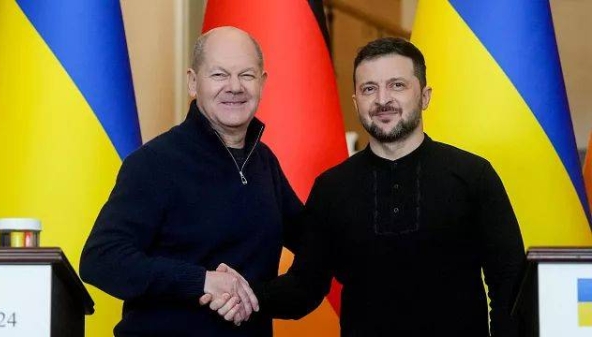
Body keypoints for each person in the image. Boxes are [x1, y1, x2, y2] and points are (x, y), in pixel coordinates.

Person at [208, 37, 526, 337]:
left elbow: (509, 283)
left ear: (425, 96)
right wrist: (244, 294)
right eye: (369, 88)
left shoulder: (474, 176)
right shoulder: (332, 188)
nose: (382, 100)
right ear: (356, 101)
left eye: (397, 86)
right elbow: (304, 287)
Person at [79, 26, 303, 337]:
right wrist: (202, 281)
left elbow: (315, 242)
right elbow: (100, 259)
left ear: (263, 83)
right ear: (193, 82)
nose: (235, 87)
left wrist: (258, 298)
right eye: (219, 75)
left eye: (247, 75)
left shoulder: (264, 162)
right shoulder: (155, 162)